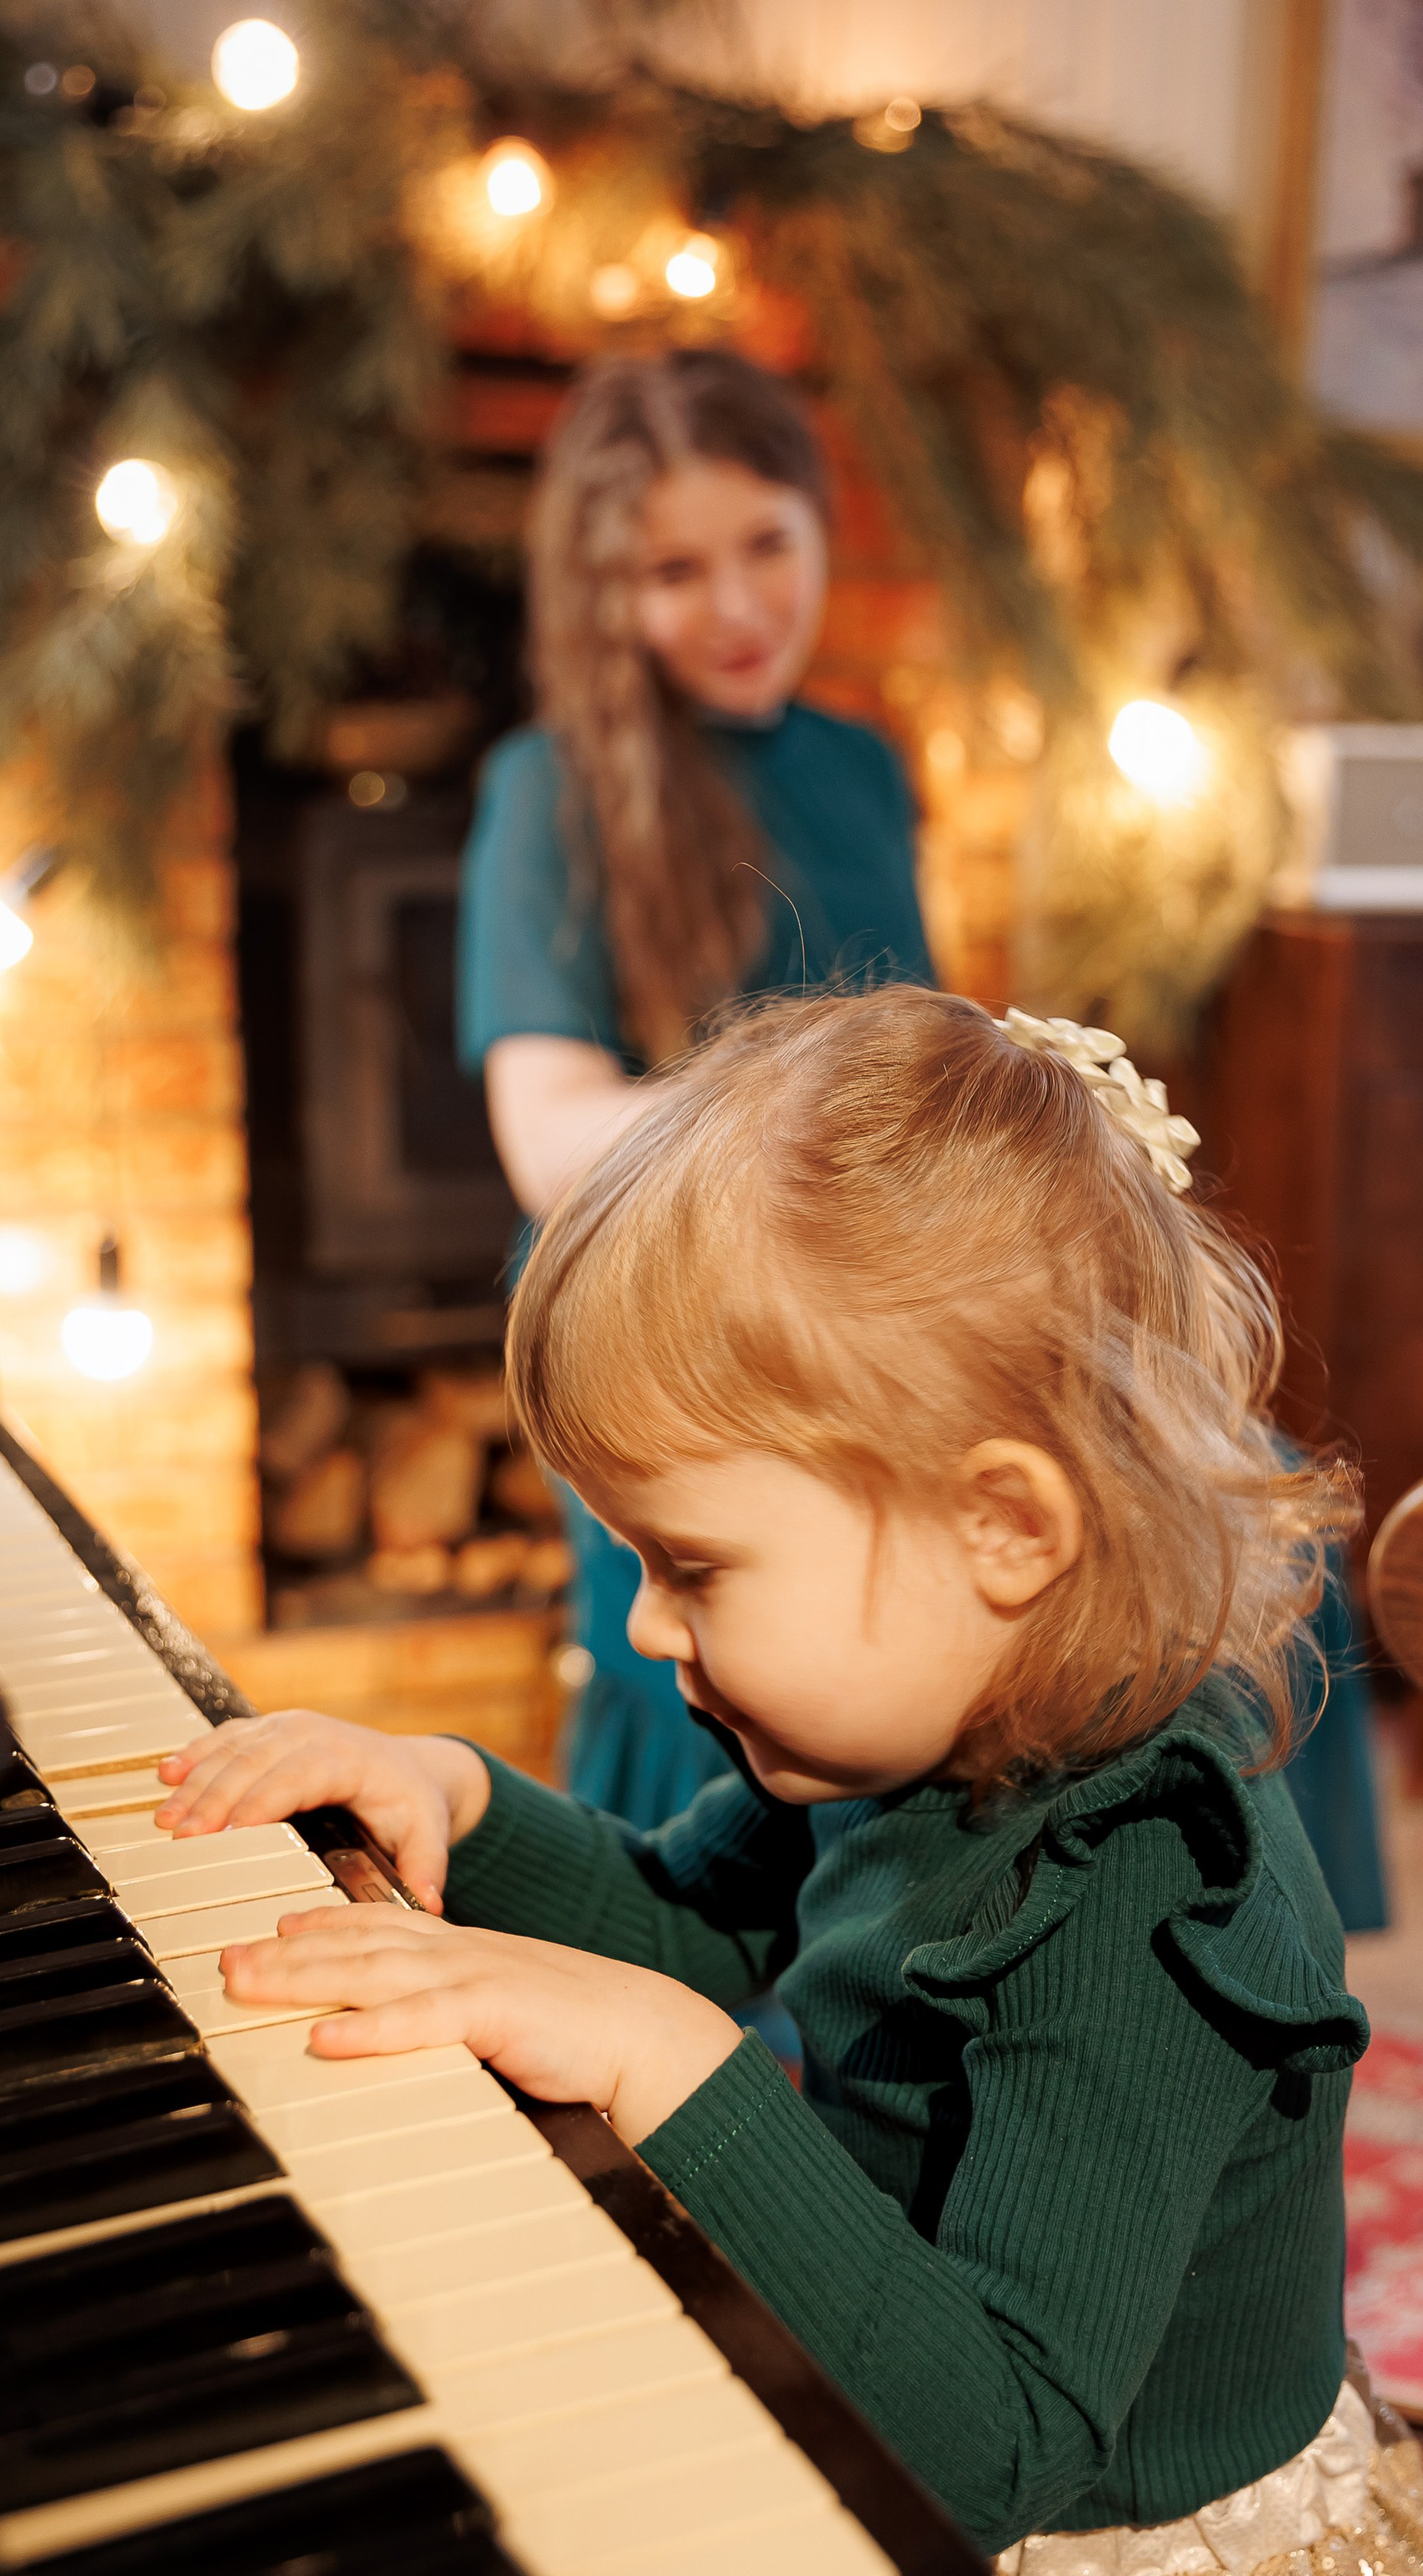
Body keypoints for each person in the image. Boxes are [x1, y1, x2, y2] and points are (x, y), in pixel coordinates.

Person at [157, 985, 1423, 2576]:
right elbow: (685, 1919)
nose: (647, 1632)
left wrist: (664, 2063)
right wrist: (455, 1803)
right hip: (940, 2435)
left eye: (696, 1566)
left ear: (1004, 1527)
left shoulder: (1138, 1917)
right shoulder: (913, 1738)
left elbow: (990, 2450)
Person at [456, 345, 933, 1833]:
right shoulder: (550, 787)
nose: (735, 607)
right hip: (666, 1308)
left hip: (858, 1283)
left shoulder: (862, 766)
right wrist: (807, 1093)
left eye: (764, 547)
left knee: (1223, 1484)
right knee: (763, 1604)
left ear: (819, 526)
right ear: (605, 591)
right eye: (674, 569)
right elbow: (546, 1138)